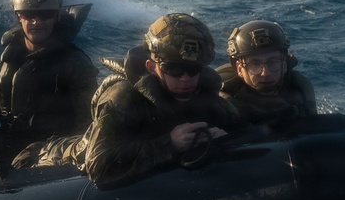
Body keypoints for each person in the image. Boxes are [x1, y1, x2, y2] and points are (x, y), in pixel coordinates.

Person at [78, 13, 244, 187]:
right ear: (151, 67)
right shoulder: (123, 98)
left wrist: (227, 139)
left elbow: (244, 128)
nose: (185, 78)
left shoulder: (207, 95)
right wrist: (169, 144)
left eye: (193, 69)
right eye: (173, 69)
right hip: (71, 153)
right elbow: (97, 165)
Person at [0, 0, 98, 170]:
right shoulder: (7, 60)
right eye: (29, 15)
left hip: (51, 152)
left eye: (45, 15)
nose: (36, 22)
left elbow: (87, 124)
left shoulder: (74, 62)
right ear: (18, 17)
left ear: (56, 17)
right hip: (10, 143)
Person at [219, 20, 317, 123]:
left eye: (273, 62)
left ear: (284, 64)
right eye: (255, 64)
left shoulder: (299, 88)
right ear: (239, 69)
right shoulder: (222, 103)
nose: (265, 73)